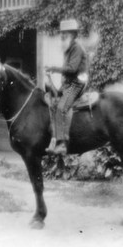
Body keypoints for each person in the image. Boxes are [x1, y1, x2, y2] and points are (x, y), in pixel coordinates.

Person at [45, 19, 88, 155]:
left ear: (73, 35)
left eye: (67, 34)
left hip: (77, 83)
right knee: (52, 102)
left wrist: (54, 68)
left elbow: (71, 69)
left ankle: (62, 144)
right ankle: (53, 139)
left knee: (61, 108)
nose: (63, 36)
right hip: (69, 83)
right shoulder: (68, 49)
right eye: (62, 34)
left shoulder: (77, 48)